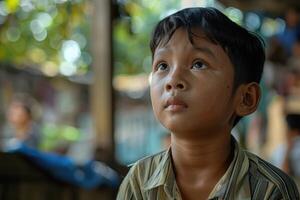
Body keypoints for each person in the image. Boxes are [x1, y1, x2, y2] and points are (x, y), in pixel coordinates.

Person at [117, 7, 300, 200]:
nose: (173, 79)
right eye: (163, 65)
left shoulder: (269, 190)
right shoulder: (138, 182)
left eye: (198, 64)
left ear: (246, 98)